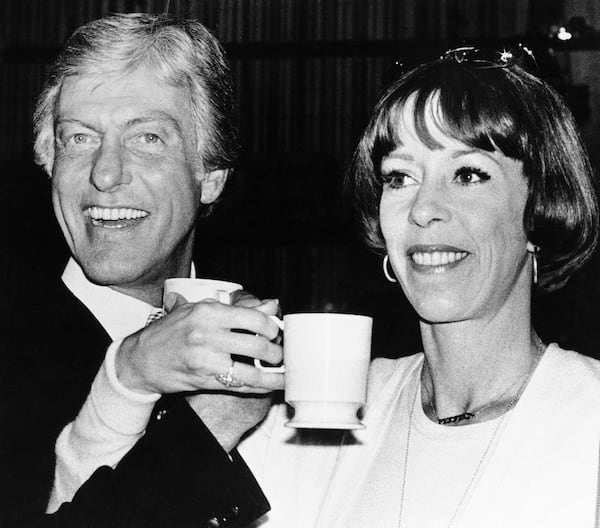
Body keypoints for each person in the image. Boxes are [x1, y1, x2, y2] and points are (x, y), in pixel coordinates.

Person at [236, 46, 600, 527]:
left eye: (468, 174)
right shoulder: (326, 410)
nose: (424, 209)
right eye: (401, 177)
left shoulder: (586, 417)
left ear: (541, 209)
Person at [0, 12, 283, 526]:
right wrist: (203, 430)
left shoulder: (272, 351)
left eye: (147, 138)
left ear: (211, 177)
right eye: (79, 138)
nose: (105, 174)